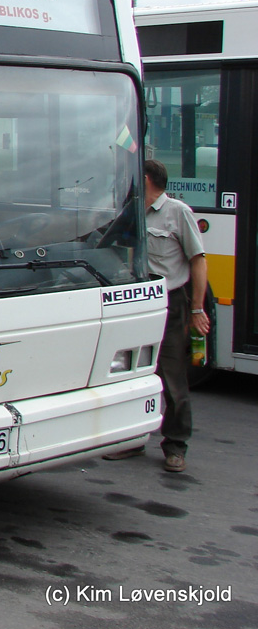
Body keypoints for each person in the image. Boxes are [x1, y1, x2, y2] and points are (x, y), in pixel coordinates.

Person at [104, 159, 209, 473]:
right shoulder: (131, 213)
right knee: (130, 373)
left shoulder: (178, 212)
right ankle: (131, 440)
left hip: (170, 303)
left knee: (172, 377)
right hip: (135, 300)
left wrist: (196, 309)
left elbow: (198, 262)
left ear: (145, 178)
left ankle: (175, 445)